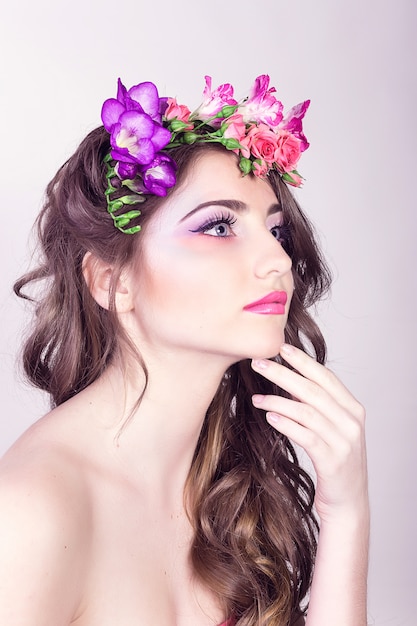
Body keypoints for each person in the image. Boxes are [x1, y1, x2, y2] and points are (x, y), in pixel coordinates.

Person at [0, 75, 369, 625]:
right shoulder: (33, 511)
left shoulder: (228, 487)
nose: (277, 261)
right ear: (112, 281)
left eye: (277, 231)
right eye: (219, 226)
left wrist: (346, 513)